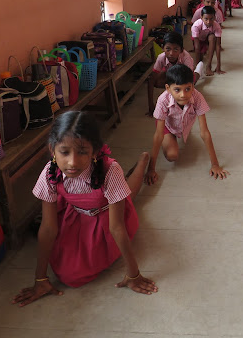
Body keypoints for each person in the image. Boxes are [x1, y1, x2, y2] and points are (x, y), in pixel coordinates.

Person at [12, 112, 158, 306]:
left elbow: (116, 227)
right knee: (67, 271)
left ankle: (142, 162)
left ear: (95, 152)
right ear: (52, 150)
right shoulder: (50, 171)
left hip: (108, 214)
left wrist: (133, 274)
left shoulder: (109, 170)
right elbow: (48, 228)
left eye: (82, 152)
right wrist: (40, 279)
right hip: (76, 214)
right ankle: (132, 174)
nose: (72, 162)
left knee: (130, 195)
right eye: (64, 152)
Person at [146, 64, 229, 184]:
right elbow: (158, 135)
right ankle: (170, 138)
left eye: (188, 89)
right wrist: (151, 169)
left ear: (193, 86)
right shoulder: (162, 100)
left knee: (183, 132)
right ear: (168, 88)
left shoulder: (198, 97)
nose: (183, 94)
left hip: (184, 125)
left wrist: (215, 164)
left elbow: (204, 132)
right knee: (172, 155)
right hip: (167, 126)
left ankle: (199, 69)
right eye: (177, 90)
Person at [147, 32, 204, 116]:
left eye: (175, 49)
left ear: (181, 50)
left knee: (193, 79)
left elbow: (189, 82)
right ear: (163, 48)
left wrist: (187, 103)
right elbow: (151, 80)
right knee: (157, 81)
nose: (171, 53)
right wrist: (151, 105)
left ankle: (200, 67)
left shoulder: (186, 58)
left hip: (185, 75)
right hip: (172, 74)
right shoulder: (161, 58)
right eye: (168, 49)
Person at [191, 6, 224, 76]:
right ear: (201, 17)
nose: (208, 22)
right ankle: (199, 65)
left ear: (214, 18)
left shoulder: (216, 26)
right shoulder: (196, 26)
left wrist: (219, 65)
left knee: (212, 38)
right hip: (198, 40)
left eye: (211, 19)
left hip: (207, 40)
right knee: (200, 59)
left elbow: (218, 46)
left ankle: (208, 66)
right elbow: (197, 46)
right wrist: (197, 68)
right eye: (206, 19)